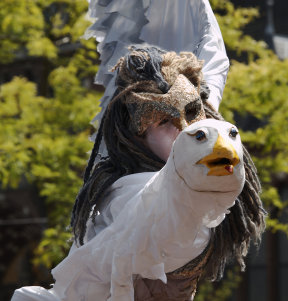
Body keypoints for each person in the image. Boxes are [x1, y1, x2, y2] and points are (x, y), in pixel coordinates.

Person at [12, 1, 266, 300]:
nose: (184, 129)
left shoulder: (196, 137)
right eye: (164, 121)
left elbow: (210, 53)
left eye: (193, 113)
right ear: (135, 134)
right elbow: (161, 203)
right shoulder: (124, 194)